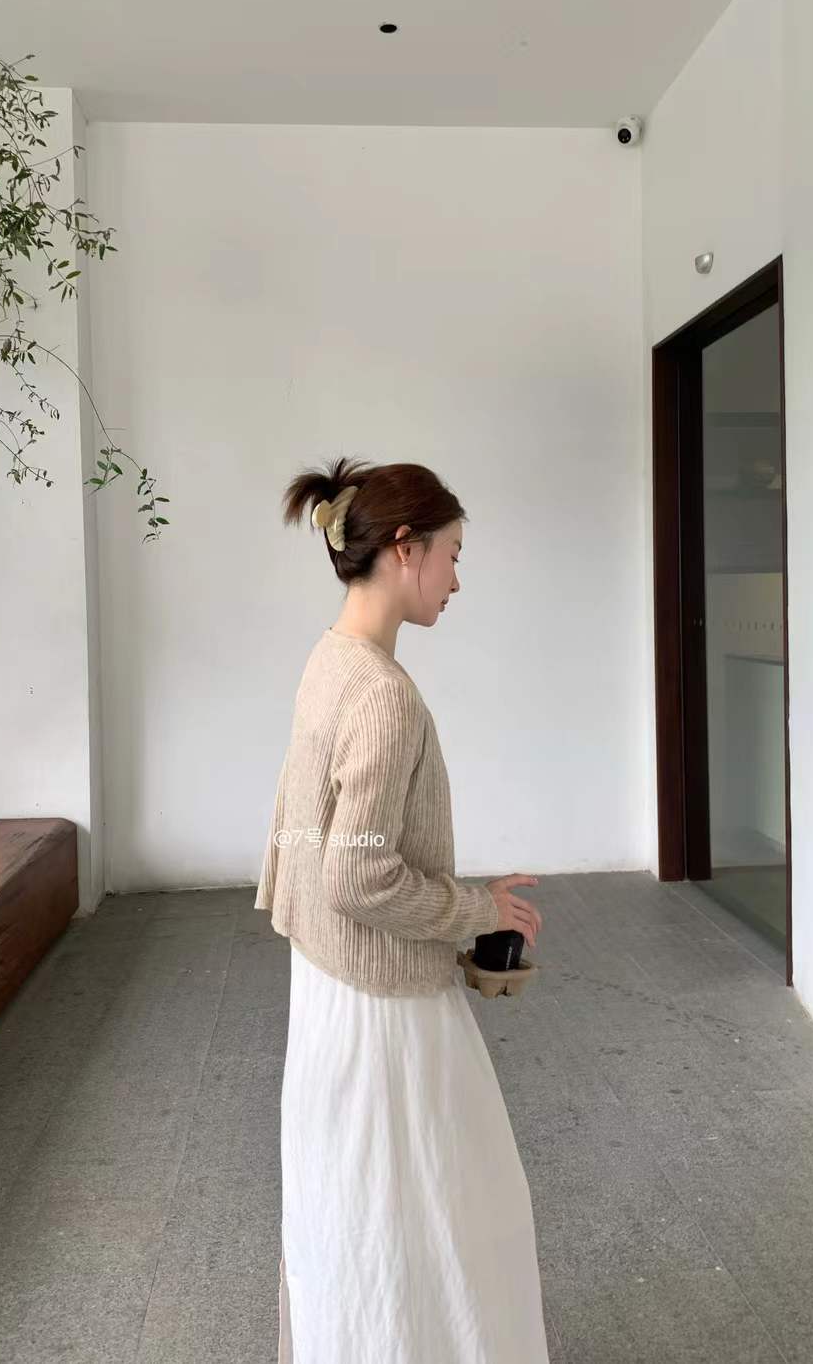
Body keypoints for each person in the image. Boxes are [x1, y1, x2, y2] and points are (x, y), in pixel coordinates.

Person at [254, 454, 551, 1364]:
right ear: (404, 546)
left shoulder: (330, 658)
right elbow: (358, 876)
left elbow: (301, 835)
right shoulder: (383, 695)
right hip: (384, 1006)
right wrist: (476, 909)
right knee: (442, 1207)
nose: (457, 579)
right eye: (453, 555)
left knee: (359, 1206)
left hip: (330, 984)